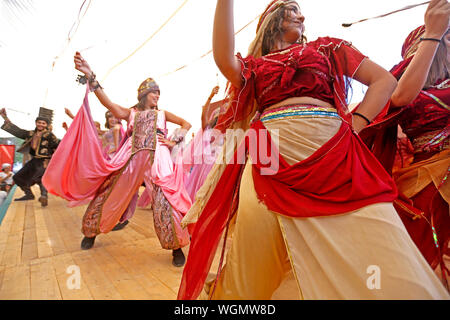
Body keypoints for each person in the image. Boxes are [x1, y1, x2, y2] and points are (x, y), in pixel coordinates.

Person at [178, 0, 450, 300]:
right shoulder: (255, 66)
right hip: (269, 161)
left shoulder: (327, 48)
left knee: (387, 251)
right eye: (293, 10)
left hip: (333, 153)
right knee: (250, 273)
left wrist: (353, 129)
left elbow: (384, 81)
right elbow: (224, 59)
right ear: (271, 19)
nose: (302, 15)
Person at [43, 52, 193, 267]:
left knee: (164, 201)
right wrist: (91, 77)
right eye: (154, 93)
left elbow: (186, 123)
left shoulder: (163, 113)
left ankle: (176, 247)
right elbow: (108, 104)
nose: (157, 96)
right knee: (110, 193)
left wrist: (174, 140)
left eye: (159, 93)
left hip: (158, 158)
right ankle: (91, 232)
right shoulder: (130, 113)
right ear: (144, 94)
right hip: (130, 157)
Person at [360, 0, 450, 289]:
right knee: (414, 271)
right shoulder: (404, 84)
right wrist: (433, 34)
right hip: (426, 185)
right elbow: (400, 98)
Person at [0, 108, 59, 207]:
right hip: (34, 160)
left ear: (47, 125)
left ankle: (44, 196)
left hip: (44, 161)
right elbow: (18, 131)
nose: (41, 124)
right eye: (39, 122)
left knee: (39, 177)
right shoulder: (31, 133)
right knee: (17, 177)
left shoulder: (49, 135)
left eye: (43, 123)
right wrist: (5, 117)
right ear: (36, 123)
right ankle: (29, 194)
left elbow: (58, 145)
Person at [183, 86, 224, 202]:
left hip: (217, 167)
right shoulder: (207, 129)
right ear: (215, 118)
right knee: (200, 194)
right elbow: (203, 115)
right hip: (204, 167)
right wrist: (210, 97)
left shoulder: (227, 132)